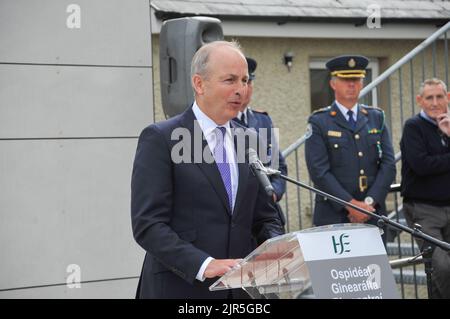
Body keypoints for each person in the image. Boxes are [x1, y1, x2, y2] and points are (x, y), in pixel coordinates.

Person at [131, 41, 284, 299]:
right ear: (199, 84)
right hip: (181, 289)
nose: (241, 90)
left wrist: (275, 246)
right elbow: (148, 225)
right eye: (230, 80)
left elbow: (265, 217)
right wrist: (204, 264)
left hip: (239, 292)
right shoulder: (161, 138)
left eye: (245, 81)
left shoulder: (250, 140)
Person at [305, 55, 396, 230]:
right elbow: (319, 171)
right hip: (334, 215)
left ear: (362, 83)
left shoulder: (376, 118)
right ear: (333, 83)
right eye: (345, 79)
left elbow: (388, 164)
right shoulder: (319, 121)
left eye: (356, 79)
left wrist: (369, 203)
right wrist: (351, 204)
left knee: (373, 259)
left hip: (373, 212)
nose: (351, 84)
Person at [400, 78, 450, 299]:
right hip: (424, 210)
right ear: (420, 101)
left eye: (439, 96)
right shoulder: (414, 127)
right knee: (441, 267)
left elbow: (433, 163)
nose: (435, 102)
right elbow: (421, 165)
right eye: (429, 97)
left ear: (447, 98)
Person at [234, 57, 288, 225]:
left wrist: (274, 192)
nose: (247, 88)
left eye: (249, 82)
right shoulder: (221, 122)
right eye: (242, 82)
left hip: (264, 214)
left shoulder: (262, 120)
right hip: (237, 213)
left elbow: (278, 165)